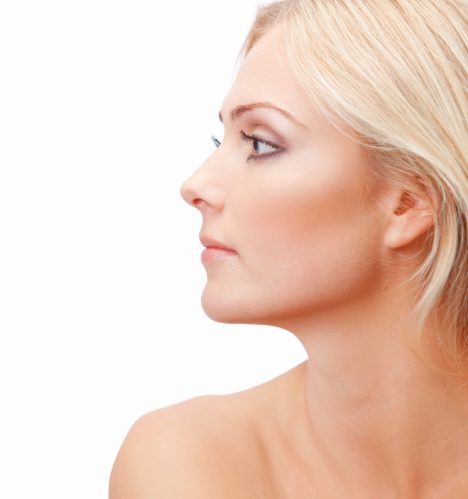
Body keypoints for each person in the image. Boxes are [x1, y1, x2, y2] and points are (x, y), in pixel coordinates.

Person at [109, 1, 468, 497]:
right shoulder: (192, 463)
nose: (195, 186)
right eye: (220, 139)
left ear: (409, 201)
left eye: (259, 143)